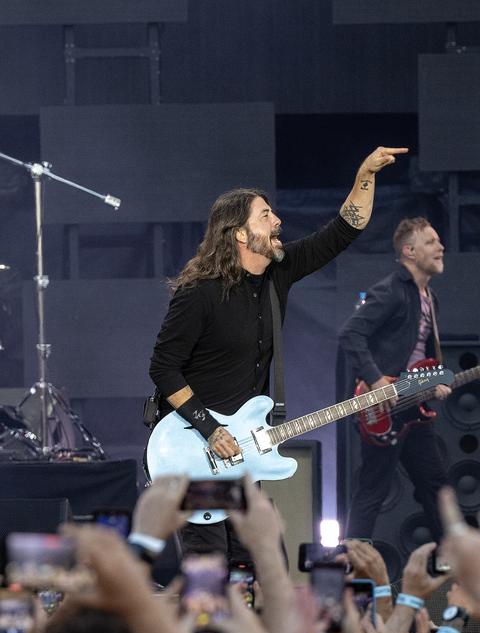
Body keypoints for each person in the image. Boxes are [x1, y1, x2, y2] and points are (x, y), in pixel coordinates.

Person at [148, 146, 408, 562]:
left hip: (244, 455)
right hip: (196, 451)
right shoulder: (199, 294)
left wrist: (366, 175)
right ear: (238, 233)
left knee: (267, 568)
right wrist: (211, 429)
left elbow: (344, 230)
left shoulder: (277, 274)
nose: (277, 221)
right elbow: (163, 368)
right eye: (265, 215)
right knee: (209, 577)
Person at [339, 217, 451, 541]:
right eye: (431, 242)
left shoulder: (430, 297)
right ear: (409, 251)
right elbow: (350, 334)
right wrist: (375, 380)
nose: (440, 246)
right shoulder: (390, 291)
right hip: (384, 408)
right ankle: (353, 569)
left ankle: (450, 569)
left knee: (437, 487)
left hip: (414, 407)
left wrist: (436, 381)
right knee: (372, 491)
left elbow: (422, 356)